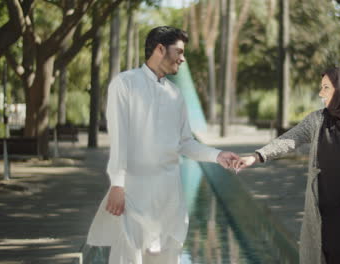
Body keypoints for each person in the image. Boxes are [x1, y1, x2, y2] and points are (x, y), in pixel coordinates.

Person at [86, 26, 239, 264]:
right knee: (128, 258)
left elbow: (185, 143)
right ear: (159, 49)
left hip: (170, 198)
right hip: (134, 194)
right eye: (178, 51)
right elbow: (120, 139)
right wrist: (117, 184)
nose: (182, 57)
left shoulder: (175, 94)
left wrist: (217, 155)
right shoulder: (124, 84)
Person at [235, 67, 340, 264]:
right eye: (321, 88)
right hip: (321, 210)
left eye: (326, 88)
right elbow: (290, 139)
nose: (320, 93)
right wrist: (257, 156)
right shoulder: (317, 120)